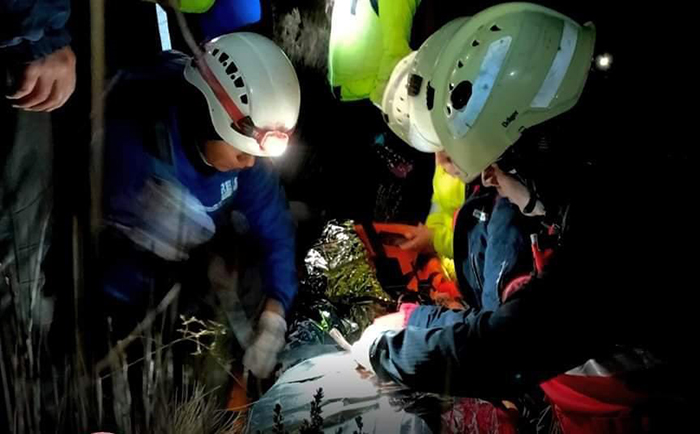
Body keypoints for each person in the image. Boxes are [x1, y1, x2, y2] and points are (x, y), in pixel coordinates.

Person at [352, 3, 691, 431]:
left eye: (500, 165)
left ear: (534, 144)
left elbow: (512, 344)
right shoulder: (610, 171)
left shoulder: (620, 222)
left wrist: (388, 350)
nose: (491, 183)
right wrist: (417, 322)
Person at [100, 32, 300, 379]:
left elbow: (275, 228)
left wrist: (276, 310)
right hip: (115, 299)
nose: (249, 164)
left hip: (188, 277)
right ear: (204, 117)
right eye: (241, 151)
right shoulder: (131, 139)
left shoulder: (245, 160)